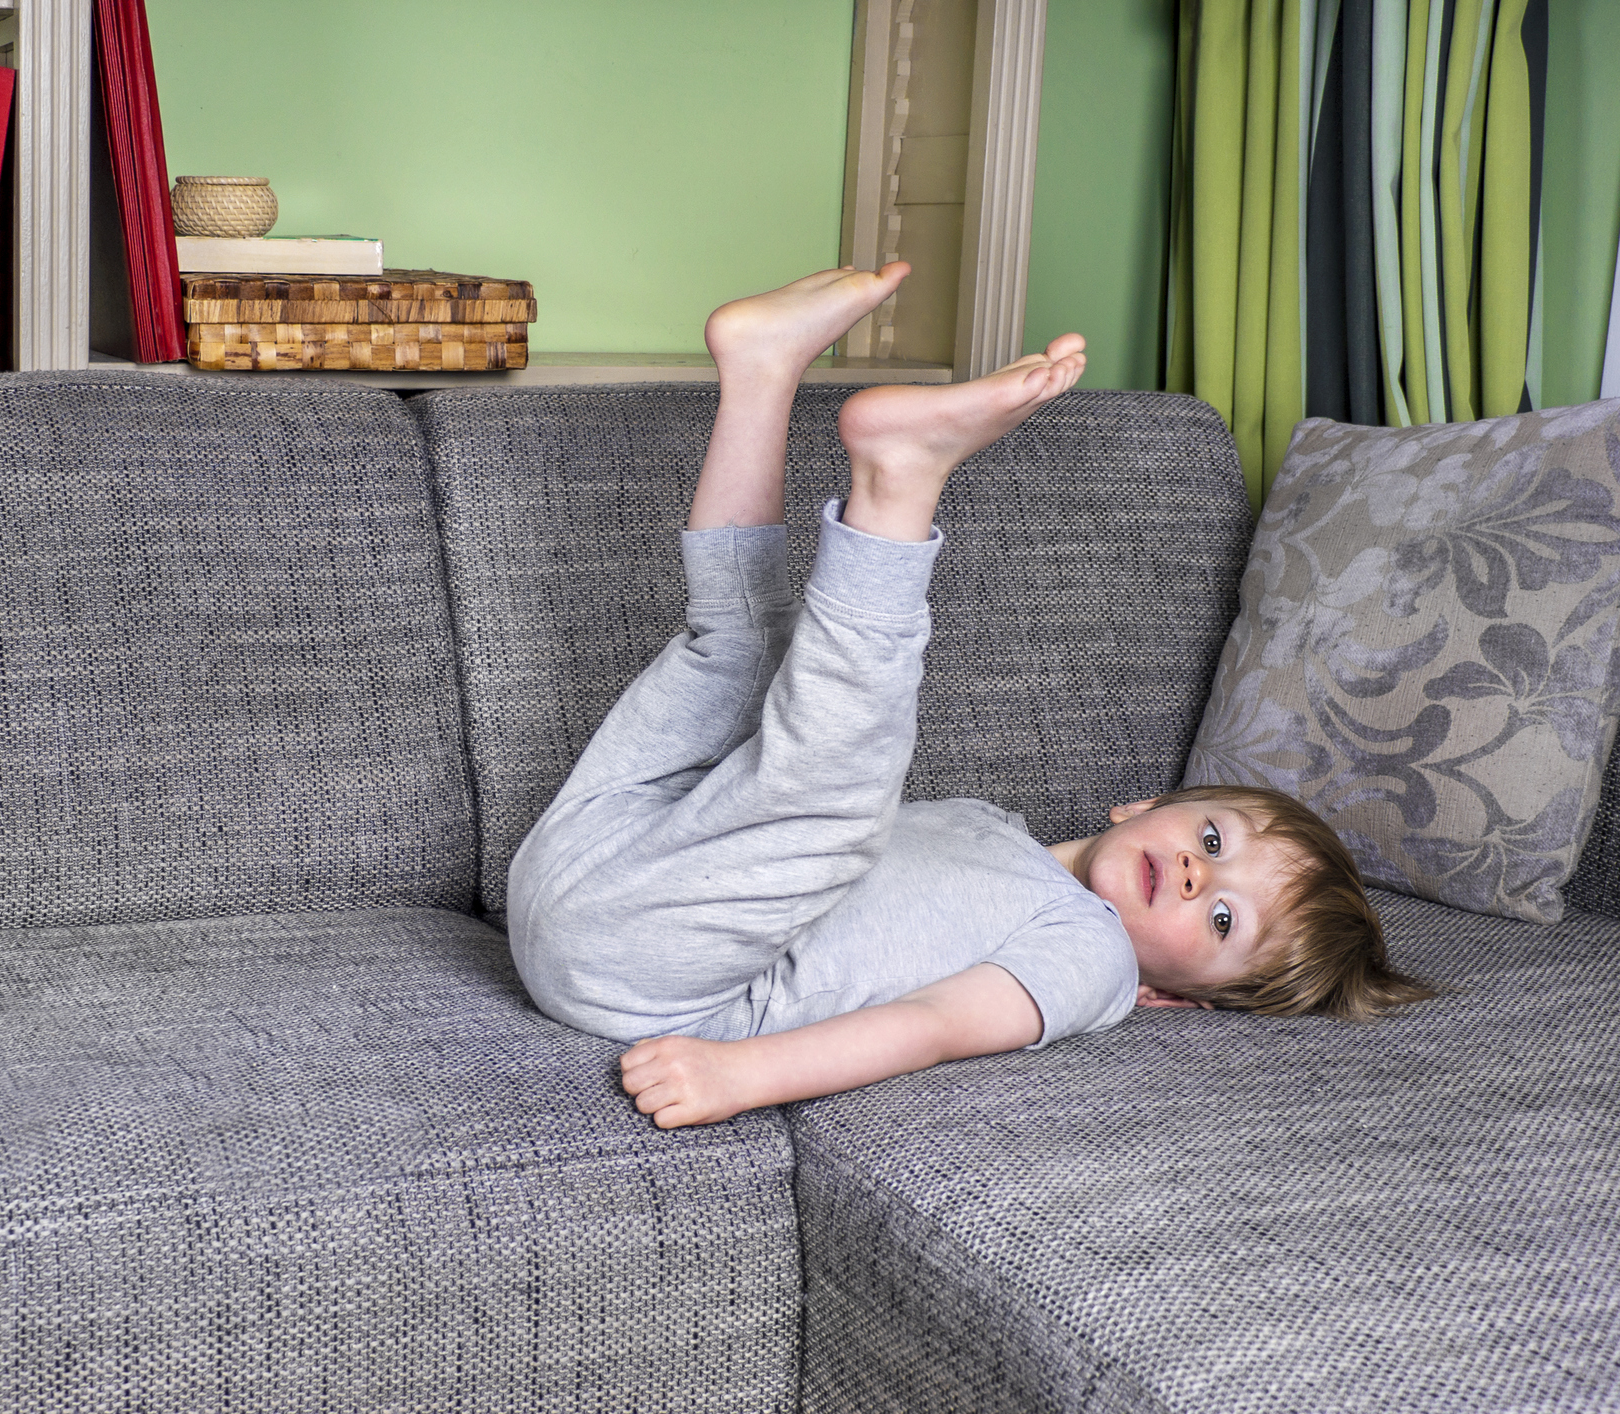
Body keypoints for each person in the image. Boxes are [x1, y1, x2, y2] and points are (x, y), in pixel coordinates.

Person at [507, 264, 1433, 1130]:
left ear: (1171, 997)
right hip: (585, 854)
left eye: (1222, 920)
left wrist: (742, 1075)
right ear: (1145, 807)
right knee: (741, 653)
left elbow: (932, 1025)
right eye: (1211, 839)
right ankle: (759, 370)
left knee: (834, 788)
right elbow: (770, 812)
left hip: (643, 975)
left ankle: (901, 477)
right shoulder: (987, 825)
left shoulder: (1091, 959)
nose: (1198, 876)